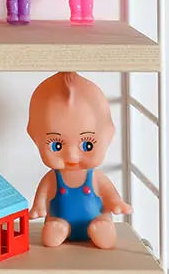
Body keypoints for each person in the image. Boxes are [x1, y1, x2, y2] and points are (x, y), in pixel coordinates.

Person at [27, 71, 131, 248]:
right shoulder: (52, 179)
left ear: (107, 136)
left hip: (95, 220)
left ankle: (102, 229)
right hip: (61, 220)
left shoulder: (97, 178)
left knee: (100, 225)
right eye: (56, 146)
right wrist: (39, 207)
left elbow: (109, 194)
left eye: (87, 145)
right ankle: (59, 228)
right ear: (35, 139)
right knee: (52, 233)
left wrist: (116, 202)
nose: (72, 156)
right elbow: (43, 195)